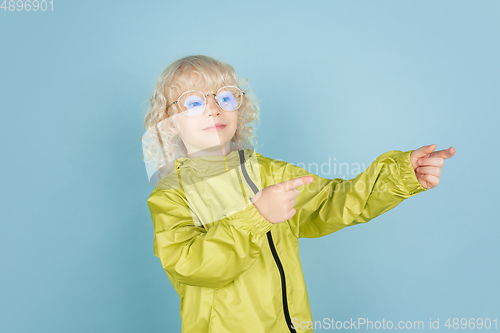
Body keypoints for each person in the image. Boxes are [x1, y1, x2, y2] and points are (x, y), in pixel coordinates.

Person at [141, 55, 455, 333]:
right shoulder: (172, 195)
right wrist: (256, 216)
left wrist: (400, 173)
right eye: (194, 103)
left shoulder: (270, 173)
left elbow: (334, 202)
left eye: (224, 98)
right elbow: (191, 265)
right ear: (168, 123)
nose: (213, 111)